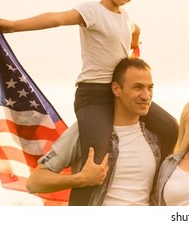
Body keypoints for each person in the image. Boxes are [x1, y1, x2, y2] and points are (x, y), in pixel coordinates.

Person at [0, 0, 178, 205]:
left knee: (171, 127)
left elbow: (136, 31)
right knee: (97, 159)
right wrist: (15, 25)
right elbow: (55, 19)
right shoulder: (92, 11)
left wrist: (135, 49)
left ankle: (158, 189)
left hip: (120, 93)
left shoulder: (127, 18)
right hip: (93, 96)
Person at [26, 57, 170, 206]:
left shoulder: (156, 138)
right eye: (138, 87)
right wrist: (81, 179)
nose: (146, 96)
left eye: (150, 87)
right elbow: (34, 182)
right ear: (116, 89)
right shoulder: (86, 130)